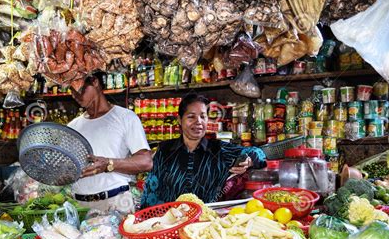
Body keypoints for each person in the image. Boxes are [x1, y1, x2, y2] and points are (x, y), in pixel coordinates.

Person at [141, 94, 266, 207]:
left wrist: (249, 160)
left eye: (202, 116)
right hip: (170, 220)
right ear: (179, 120)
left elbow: (259, 153)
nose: (198, 122)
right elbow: (151, 190)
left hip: (208, 222)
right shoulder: (165, 149)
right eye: (191, 117)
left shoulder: (219, 149)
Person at [68, 74, 153, 214]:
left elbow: (145, 162)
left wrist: (108, 164)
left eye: (80, 87)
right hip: (80, 205)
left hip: (117, 202)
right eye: (71, 89)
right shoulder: (72, 127)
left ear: (95, 81)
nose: (75, 94)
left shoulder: (125, 117)